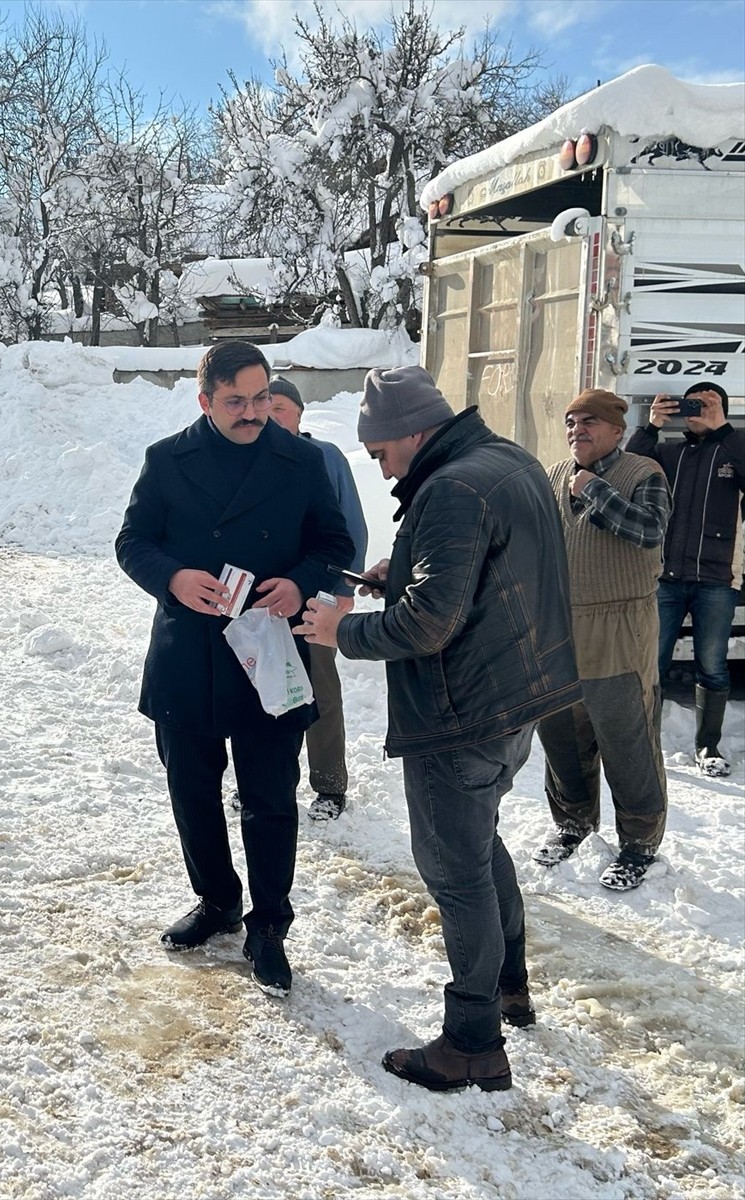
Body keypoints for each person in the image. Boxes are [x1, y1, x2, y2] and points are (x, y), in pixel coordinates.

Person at [294, 365, 581, 1094]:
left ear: (411, 433)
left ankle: (471, 1042)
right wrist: (412, 569)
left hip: (460, 713)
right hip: (515, 698)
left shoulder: (451, 487)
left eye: (380, 452)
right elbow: (484, 572)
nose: (377, 465)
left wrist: (341, 629)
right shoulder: (502, 460)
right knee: (478, 847)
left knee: (456, 875)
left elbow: (429, 623)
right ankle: (507, 986)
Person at [115, 341, 353, 998]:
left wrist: (299, 584)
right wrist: (173, 577)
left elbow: (334, 545)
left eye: (258, 398)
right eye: (235, 402)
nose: (251, 413)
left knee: (270, 800)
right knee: (192, 792)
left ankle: (269, 924)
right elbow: (132, 542)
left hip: (269, 653)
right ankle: (216, 901)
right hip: (187, 653)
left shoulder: (300, 460)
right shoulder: (167, 460)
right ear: (205, 401)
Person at [534, 389, 672, 891]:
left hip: (619, 627)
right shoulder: (552, 477)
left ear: (617, 428)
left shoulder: (643, 473)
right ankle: (572, 822)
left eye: (590, 421)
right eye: (571, 422)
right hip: (558, 626)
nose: (577, 430)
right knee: (561, 736)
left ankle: (638, 842)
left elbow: (650, 530)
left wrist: (594, 490)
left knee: (626, 737)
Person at [258, 375, 368, 820]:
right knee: (265, 688)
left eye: (280, 407)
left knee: (319, 687)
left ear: (300, 415)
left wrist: (340, 591)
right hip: (263, 602)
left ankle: (328, 785)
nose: (270, 414)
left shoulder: (324, 457)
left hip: (315, 598)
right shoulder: (251, 460)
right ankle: (264, 778)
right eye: (267, 406)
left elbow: (351, 528)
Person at [626, 382, 745, 777]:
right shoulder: (668, 452)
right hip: (664, 577)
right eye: (693, 403)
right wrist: (652, 426)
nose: (699, 409)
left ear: (724, 409)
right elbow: (628, 470)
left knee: (712, 665)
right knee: (651, 663)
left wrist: (723, 427)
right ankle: (643, 742)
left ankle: (708, 746)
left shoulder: (733, 449)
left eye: (709, 403)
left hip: (717, 578)